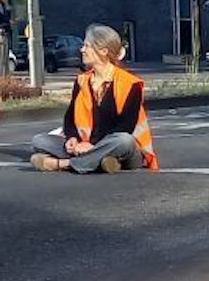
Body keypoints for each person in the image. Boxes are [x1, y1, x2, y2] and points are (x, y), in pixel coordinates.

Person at [30, 24, 157, 174]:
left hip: (125, 148)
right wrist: (73, 138)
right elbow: (70, 118)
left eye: (86, 46)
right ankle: (103, 162)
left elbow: (126, 126)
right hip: (86, 145)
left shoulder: (131, 83)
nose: (82, 50)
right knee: (39, 140)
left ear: (103, 51)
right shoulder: (81, 80)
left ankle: (64, 164)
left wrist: (92, 145)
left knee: (124, 141)